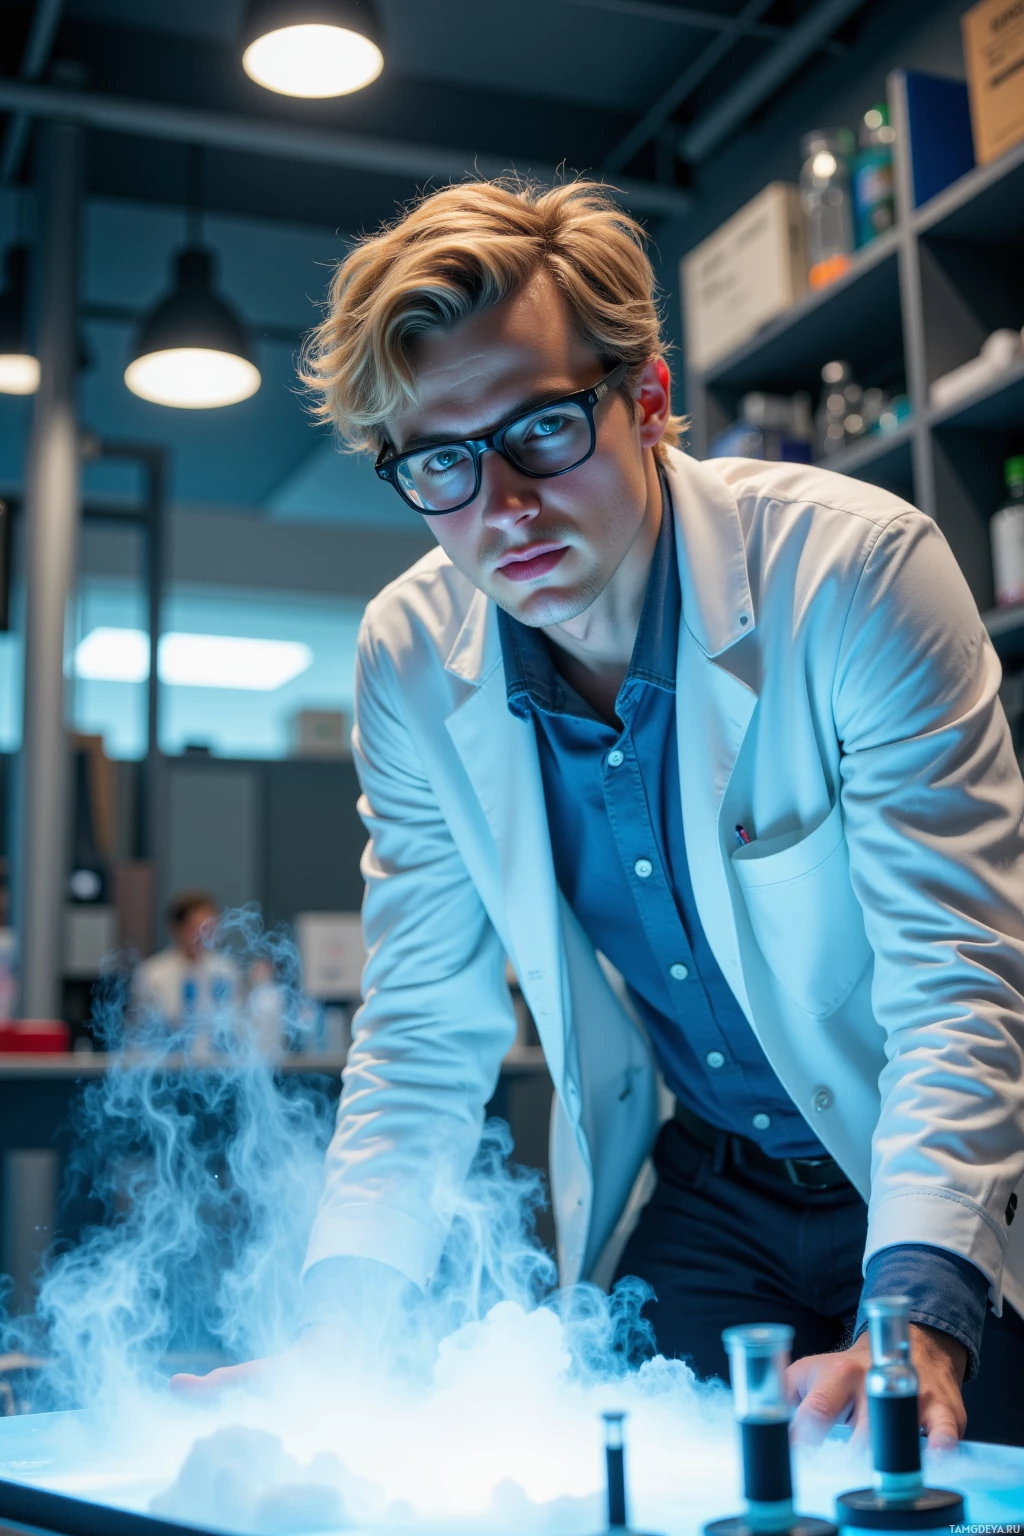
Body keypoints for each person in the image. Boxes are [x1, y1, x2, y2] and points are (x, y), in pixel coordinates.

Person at [174, 178, 1024, 1445]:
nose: (500, 508)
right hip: (714, 1181)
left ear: (646, 400)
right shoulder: (409, 655)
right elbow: (419, 1026)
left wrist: (911, 1315)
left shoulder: (855, 574)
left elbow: (956, 975)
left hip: (933, 1182)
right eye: (441, 464)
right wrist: (336, 1337)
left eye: (541, 431)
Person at [132, 890, 238, 1042]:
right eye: (196, 928)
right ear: (177, 928)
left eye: (209, 928)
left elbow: (235, 1026)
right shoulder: (152, 974)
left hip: (217, 1061)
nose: (203, 936)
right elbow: (141, 1031)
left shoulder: (227, 971)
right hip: (167, 1061)